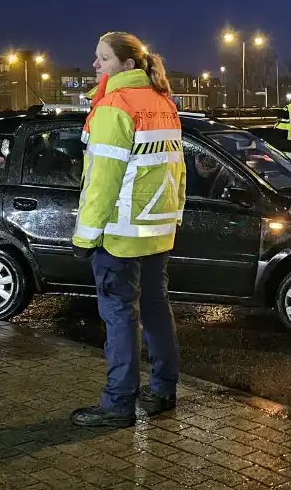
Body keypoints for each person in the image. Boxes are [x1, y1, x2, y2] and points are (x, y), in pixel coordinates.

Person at [70, 32, 186, 428]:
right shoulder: (164, 102)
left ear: (127, 65)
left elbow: (102, 181)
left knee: (119, 315)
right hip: (158, 229)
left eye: (103, 58)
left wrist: (85, 237)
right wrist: (176, 215)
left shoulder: (114, 107)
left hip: (120, 233)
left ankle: (119, 403)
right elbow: (177, 168)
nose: (96, 64)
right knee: (155, 308)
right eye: (96, 57)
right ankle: (164, 389)